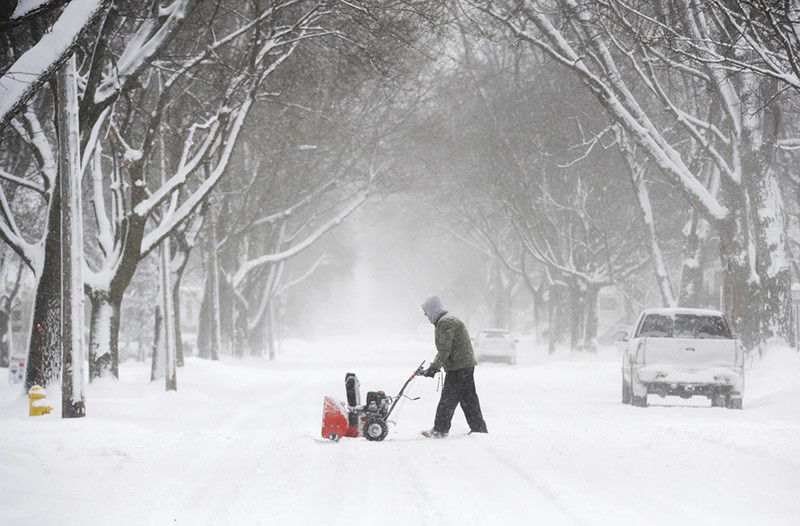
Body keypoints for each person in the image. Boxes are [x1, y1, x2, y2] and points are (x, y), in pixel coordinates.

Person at [418, 295, 488, 438]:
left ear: (433, 310)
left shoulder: (445, 322)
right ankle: (479, 429)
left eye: (427, 313)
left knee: (447, 400)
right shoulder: (444, 321)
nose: (426, 316)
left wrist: (433, 368)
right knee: (468, 399)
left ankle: (440, 430)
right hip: (463, 365)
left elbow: (445, 350)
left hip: (459, 366)